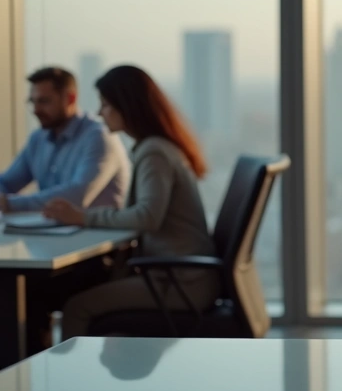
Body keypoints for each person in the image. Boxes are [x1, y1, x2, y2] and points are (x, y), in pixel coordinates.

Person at [42, 65, 220, 339]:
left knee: (77, 307)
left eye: (106, 105)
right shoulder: (156, 147)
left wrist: (83, 217)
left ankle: (75, 381)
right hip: (179, 275)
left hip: (180, 283)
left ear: (127, 106)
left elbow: (147, 216)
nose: (100, 113)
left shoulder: (154, 153)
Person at [0, 67, 129, 213]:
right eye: (32, 102)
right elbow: (7, 182)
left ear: (70, 99)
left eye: (44, 101)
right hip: (50, 232)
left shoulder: (99, 137)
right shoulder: (38, 139)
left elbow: (77, 196)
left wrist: (11, 204)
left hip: (97, 235)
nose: (36, 110)